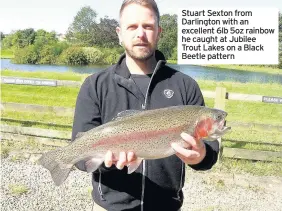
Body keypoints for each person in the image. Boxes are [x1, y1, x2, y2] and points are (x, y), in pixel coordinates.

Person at [71, 0, 219, 210]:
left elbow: (210, 153)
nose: (140, 34)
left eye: (148, 27)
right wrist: (108, 162)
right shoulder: (95, 85)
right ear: (119, 33)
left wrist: (201, 155)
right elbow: (79, 157)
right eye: (132, 26)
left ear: (159, 32)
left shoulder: (186, 86)